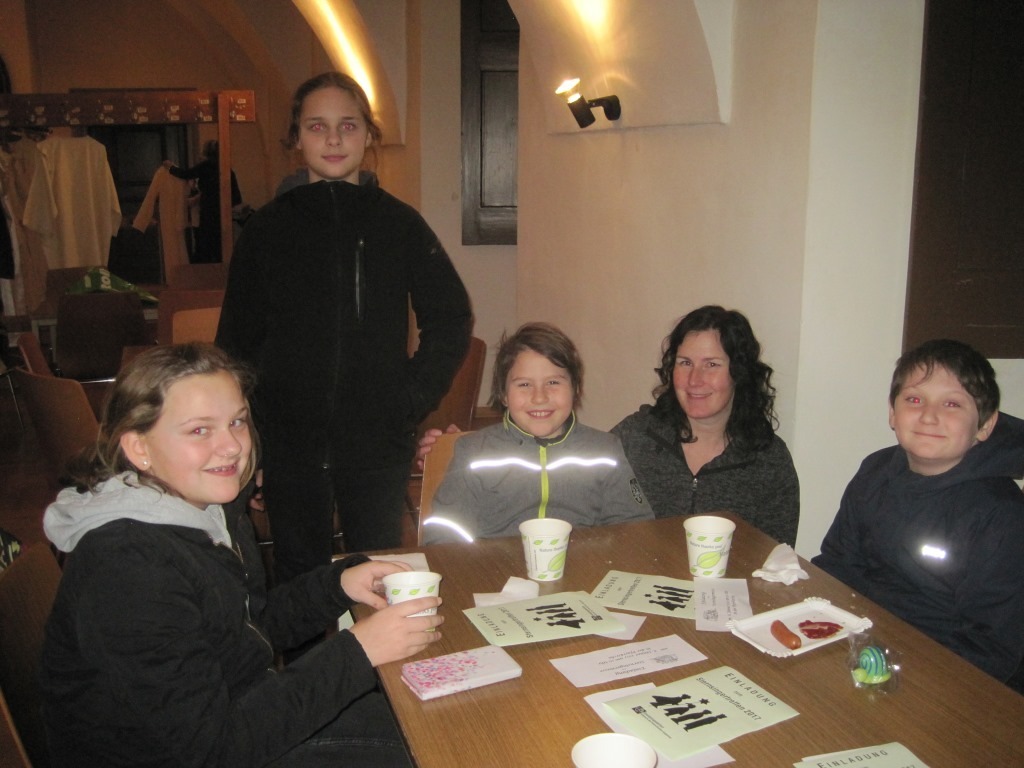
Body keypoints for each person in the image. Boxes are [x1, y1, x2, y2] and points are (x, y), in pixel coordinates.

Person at [39, 343, 442, 767]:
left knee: (425, 717)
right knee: (431, 746)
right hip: (199, 752)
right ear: (139, 449)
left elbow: (246, 629)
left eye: (237, 421)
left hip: (237, 716)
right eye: (200, 430)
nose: (232, 446)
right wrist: (358, 651)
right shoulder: (128, 567)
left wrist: (337, 585)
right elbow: (214, 751)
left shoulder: (206, 510)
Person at [216, 72, 471, 582]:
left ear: (369, 135)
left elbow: (450, 317)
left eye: (348, 125)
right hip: (288, 441)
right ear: (296, 137)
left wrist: (408, 398)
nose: (333, 139)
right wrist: (250, 437)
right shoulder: (266, 230)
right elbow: (235, 346)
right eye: (317, 126)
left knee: (375, 568)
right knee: (300, 573)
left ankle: (369, 642)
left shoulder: (399, 224)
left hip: (376, 442)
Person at [812, 339, 1024, 690]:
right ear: (892, 413)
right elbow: (837, 565)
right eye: (914, 399)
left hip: (947, 676)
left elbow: (991, 648)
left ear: (985, 425)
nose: (928, 415)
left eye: (952, 404)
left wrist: (897, 671)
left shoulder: (1001, 513)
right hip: (863, 647)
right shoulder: (875, 470)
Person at [421, 322, 651, 544]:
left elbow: (633, 527)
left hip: (583, 566)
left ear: (575, 389)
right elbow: (445, 533)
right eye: (524, 384)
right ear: (503, 394)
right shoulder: (474, 453)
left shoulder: (605, 452)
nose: (539, 397)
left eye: (553, 382)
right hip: (495, 567)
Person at [610, 306, 800, 545]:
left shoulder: (769, 460)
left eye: (711, 365)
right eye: (685, 363)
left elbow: (775, 557)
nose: (694, 380)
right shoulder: (634, 436)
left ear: (738, 372)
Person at [165, 139, 243, 263]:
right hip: (223, 212)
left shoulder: (205, 166)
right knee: (220, 245)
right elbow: (236, 196)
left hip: (208, 209)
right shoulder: (227, 170)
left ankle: (206, 268)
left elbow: (185, 174)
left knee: (205, 243)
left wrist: (170, 167)